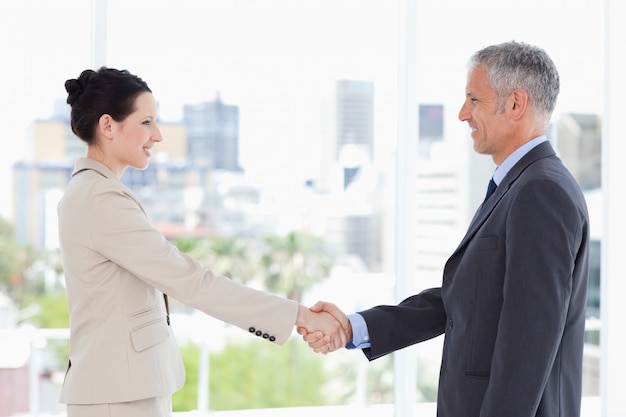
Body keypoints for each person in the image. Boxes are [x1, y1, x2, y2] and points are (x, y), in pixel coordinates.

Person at [300, 41, 590, 417]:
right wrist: (356, 326)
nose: (461, 114)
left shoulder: (540, 191)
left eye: (474, 100)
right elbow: (463, 299)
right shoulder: (519, 186)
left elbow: (528, 344)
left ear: (516, 104)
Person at [58, 67, 346, 417]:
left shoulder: (96, 193)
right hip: (117, 398)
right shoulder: (99, 199)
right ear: (108, 126)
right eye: (146, 122)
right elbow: (190, 281)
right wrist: (299, 315)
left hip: (127, 390)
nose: (158, 135)